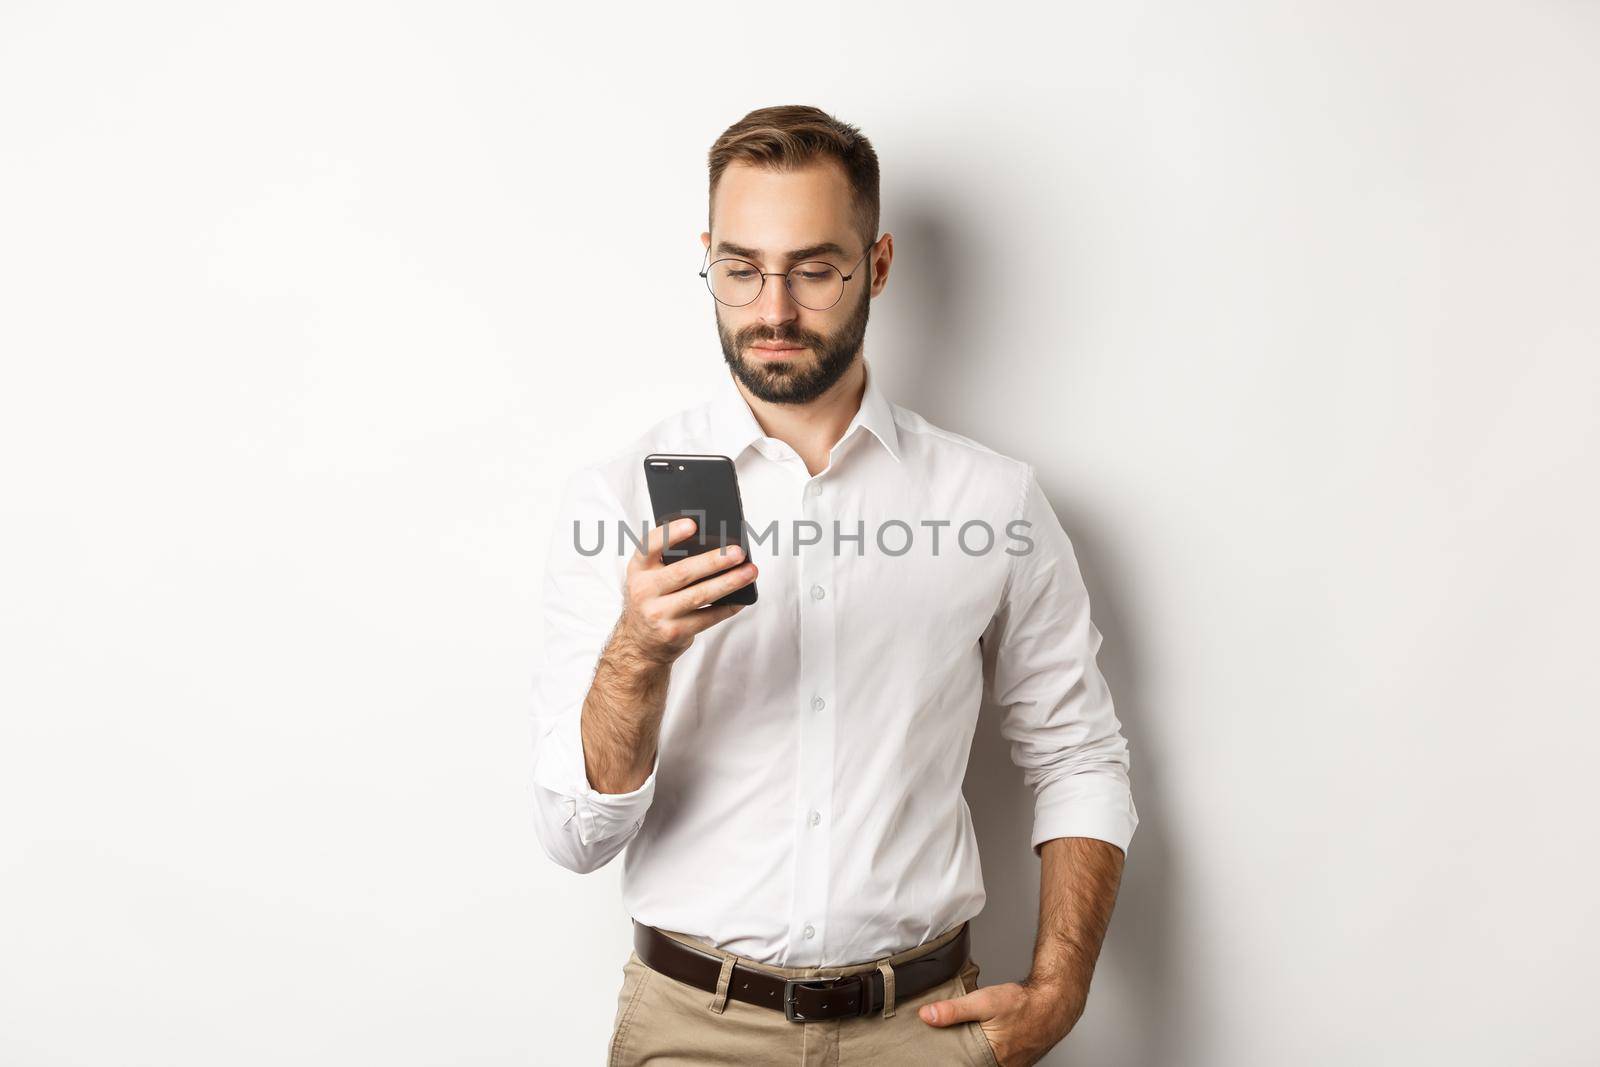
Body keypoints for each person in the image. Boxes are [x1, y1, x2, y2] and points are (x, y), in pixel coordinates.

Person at [530, 104, 1139, 1067]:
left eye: (815, 269)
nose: (773, 310)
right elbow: (574, 835)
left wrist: (1060, 992)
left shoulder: (994, 499)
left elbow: (1079, 758)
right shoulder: (615, 496)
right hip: (695, 1031)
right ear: (709, 259)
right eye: (741, 269)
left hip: (925, 1032)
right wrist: (639, 651)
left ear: (878, 265)